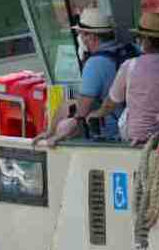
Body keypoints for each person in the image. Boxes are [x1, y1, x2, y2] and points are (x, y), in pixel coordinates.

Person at [32, 8, 136, 147]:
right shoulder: (133, 49)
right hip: (138, 125)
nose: (80, 38)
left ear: (92, 36)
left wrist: (54, 135)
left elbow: (81, 111)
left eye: (81, 34)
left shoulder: (95, 64)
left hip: (114, 135)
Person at [86, 13, 159, 144]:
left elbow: (110, 104)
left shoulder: (130, 65)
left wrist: (95, 114)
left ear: (146, 40)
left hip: (137, 137)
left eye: (138, 37)